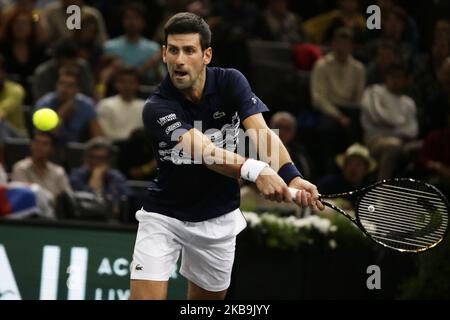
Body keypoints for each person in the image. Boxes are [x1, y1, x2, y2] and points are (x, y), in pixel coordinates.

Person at [130, 12, 323, 300]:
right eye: (173, 50)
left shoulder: (231, 82)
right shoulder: (157, 107)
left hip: (218, 218)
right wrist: (257, 171)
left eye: (189, 50)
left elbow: (260, 132)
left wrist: (291, 176)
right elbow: (205, 153)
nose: (180, 59)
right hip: (164, 216)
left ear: (206, 55)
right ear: (164, 54)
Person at [34, 66, 103, 144]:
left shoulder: (87, 105)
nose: (64, 89)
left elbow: (99, 138)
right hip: (51, 149)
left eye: (70, 85)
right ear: (56, 85)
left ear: (78, 89)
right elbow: (41, 139)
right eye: (61, 83)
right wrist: (60, 115)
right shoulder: (44, 104)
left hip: (77, 150)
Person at [11, 131, 72, 205]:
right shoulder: (20, 168)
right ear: (31, 145)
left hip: (56, 214)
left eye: (44, 144)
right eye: (36, 142)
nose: (39, 147)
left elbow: (68, 198)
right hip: (31, 213)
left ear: (51, 149)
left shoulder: (58, 171)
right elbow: (22, 198)